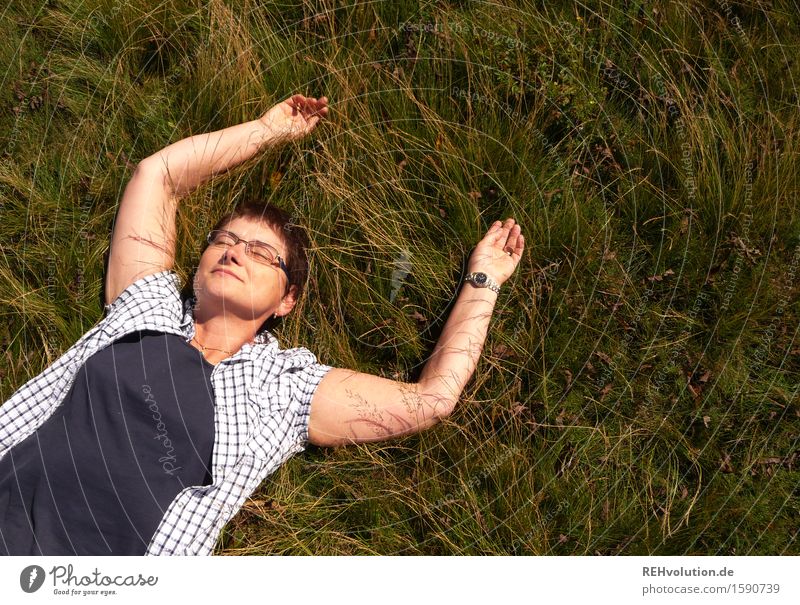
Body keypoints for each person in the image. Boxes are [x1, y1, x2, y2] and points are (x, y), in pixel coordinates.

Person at [0, 94, 524, 556]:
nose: (233, 253)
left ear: (287, 300)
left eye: (259, 252)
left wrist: (484, 278)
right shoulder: (149, 301)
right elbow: (157, 175)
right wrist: (269, 130)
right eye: (223, 241)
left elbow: (432, 399)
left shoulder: (284, 392)